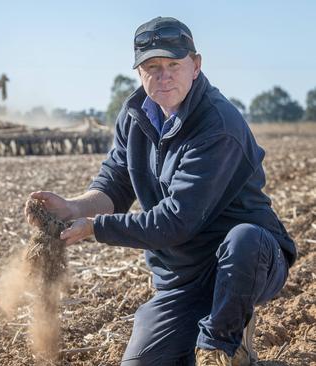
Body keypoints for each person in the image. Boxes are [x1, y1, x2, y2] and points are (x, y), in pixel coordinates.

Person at [25, 16, 296, 366]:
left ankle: (224, 344)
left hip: (249, 262)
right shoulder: (135, 115)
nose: (163, 75)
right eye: (152, 66)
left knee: (243, 240)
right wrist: (74, 208)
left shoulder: (218, 125)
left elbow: (175, 222)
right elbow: (116, 182)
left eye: (173, 64)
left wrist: (95, 227)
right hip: (181, 278)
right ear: (139, 71)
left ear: (195, 66)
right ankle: (211, 330)